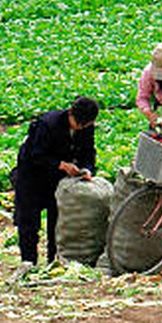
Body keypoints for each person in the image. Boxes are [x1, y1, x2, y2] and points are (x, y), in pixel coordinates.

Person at [13, 96, 99, 272]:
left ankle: (54, 261)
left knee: (57, 220)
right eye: (78, 123)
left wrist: (87, 169)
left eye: (85, 125)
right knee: (29, 221)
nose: (81, 128)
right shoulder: (47, 124)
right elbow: (35, 155)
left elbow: (89, 153)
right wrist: (61, 164)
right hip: (32, 176)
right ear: (70, 114)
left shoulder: (86, 128)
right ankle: (28, 262)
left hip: (58, 180)